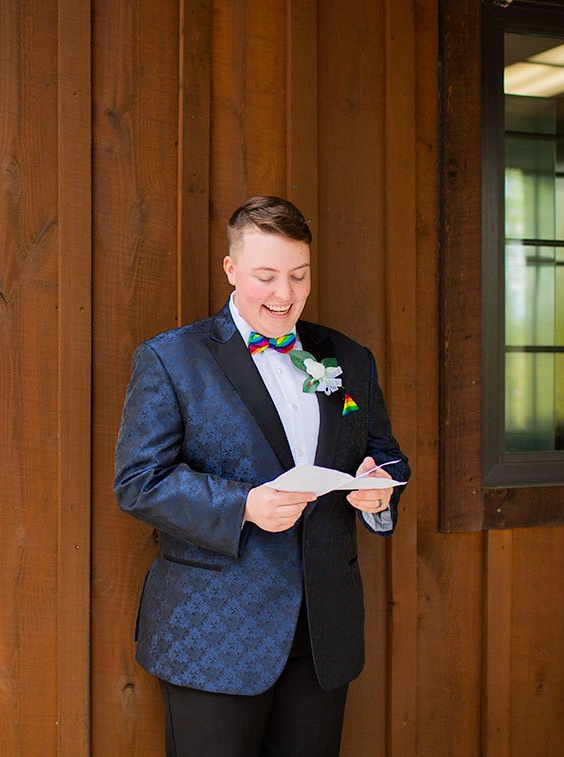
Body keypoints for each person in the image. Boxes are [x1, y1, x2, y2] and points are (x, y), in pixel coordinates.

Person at [114, 196, 410, 756]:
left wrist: (379, 488)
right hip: (214, 635)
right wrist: (244, 505)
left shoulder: (348, 359)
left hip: (323, 632)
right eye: (266, 277)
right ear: (231, 269)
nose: (284, 295)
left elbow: (384, 452)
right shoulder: (171, 359)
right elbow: (138, 480)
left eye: (298, 276)